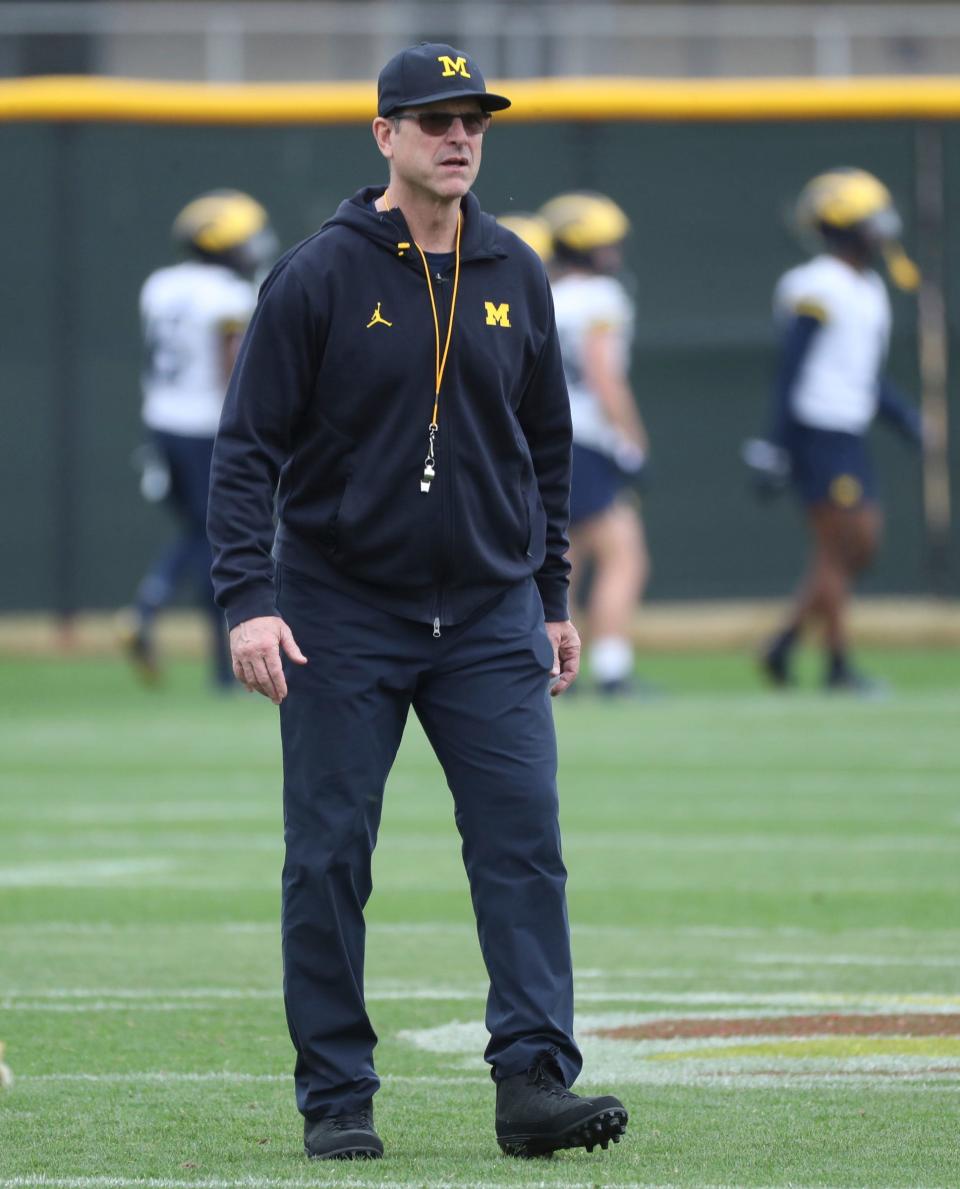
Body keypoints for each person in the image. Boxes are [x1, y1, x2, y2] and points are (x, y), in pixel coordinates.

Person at [207, 43, 627, 1161]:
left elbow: (546, 448)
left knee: (523, 844)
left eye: (473, 121)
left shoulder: (517, 271)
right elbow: (246, 451)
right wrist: (249, 598)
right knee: (329, 853)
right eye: (433, 119)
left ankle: (534, 1079)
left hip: (490, 614)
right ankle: (338, 1091)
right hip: (340, 608)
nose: (458, 137)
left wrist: (551, 596)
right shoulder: (317, 275)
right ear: (384, 135)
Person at [745, 168, 923, 691]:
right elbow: (792, 368)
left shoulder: (867, 287)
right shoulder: (817, 284)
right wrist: (774, 445)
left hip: (848, 429)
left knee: (855, 548)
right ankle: (837, 665)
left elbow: (862, 376)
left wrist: (907, 420)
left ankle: (784, 643)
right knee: (842, 546)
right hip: (816, 430)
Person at [120, 191, 278, 688]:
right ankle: (219, 666)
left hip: (162, 422)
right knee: (222, 540)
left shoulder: (160, 285)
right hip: (208, 429)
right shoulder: (226, 294)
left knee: (202, 534)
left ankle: (150, 606)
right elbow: (232, 367)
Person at [538, 192, 651, 695]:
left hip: (551, 436)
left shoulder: (545, 291)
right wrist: (632, 440)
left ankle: (555, 665)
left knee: (569, 558)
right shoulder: (602, 298)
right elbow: (605, 377)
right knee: (624, 555)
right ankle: (611, 668)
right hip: (587, 438)